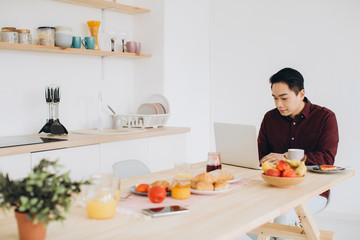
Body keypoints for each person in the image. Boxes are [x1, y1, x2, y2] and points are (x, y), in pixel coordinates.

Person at [249, 67, 339, 240]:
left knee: (282, 218)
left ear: (301, 94)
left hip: (313, 190)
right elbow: (261, 157)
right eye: (275, 98)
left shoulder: (325, 118)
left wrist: (286, 157)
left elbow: (327, 158)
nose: (278, 104)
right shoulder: (270, 118)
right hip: (274, 187)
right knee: (247, 216)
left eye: (284, 98)